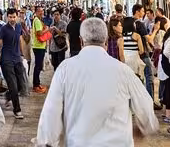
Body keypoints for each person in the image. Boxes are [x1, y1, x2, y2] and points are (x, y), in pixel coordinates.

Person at [35, 18, 158, 146]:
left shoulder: (65, 69)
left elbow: (51, 112)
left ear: (81, 40)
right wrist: (144, 127)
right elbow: (146, 108)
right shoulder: (124, 71)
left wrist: (47, 142)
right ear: (105, 41)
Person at [0, 8, 27, 119]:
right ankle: (17, 110)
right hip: (6, 60)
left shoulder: (18, 27)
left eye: (14, 17)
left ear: (17, 17)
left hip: (17, 59)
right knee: (12, 84)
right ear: (7, 17)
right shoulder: (3, 29)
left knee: (20, 85)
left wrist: (23, 55)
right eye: (10, 17)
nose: (12, 19)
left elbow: (20, 41)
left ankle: (8, 95)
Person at [31, 5, 49, 93]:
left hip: (39, 46)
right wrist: (48, 30)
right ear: (36, 12)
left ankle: (37, 83)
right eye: (40, 11)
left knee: (38, 66)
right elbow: (39, 33)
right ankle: (36, 85)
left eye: (42, 11)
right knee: (38, 66)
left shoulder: (38, 20)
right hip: (38, 46)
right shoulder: (37, 20)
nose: (42, 12)